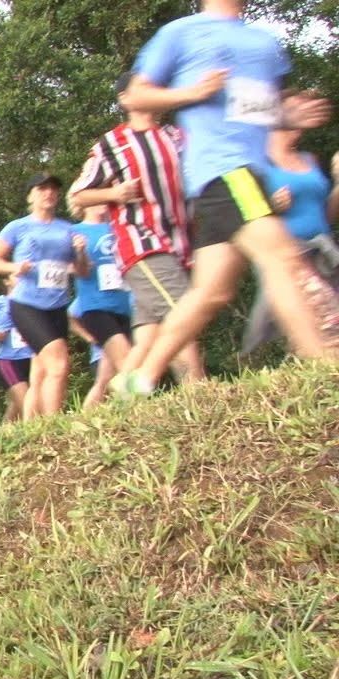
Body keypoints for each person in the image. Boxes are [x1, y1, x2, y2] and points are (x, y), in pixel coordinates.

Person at [116, 0, 337, 396]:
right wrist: (192, 92)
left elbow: (262, 108)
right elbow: (135, 98)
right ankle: (325, 369)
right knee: (284, 257)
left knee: (212, 292)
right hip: (221, 169)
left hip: (252, 174)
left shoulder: (265, 42)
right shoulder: (181, 33)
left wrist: (291, 116)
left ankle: (138, 378)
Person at [69, 71, 205, 385]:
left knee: (147, 339)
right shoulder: (113, 143)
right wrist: (114, 193)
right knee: (184, 315)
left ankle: (125, 395)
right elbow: (79, 194)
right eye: (144, 87)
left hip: (178, 245)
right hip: (142, 243)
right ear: (125, 99)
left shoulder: (175, 136)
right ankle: (197, 390)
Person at [0, 174, 90, 418]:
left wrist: (81, 252)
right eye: (42, 189)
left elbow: (83, 271)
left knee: (41, 370)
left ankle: (33, 425)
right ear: (30, 196)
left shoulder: (68, 229)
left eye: (53, 189)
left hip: (57, 305)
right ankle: (54, 424)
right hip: (26, 304)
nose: (49, 193)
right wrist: (14, 268)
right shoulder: (17, 227)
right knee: (59, 364)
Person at [242, 119, 339, 353]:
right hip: (289, 252)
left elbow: (327, 215)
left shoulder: (309, 160)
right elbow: (243, 221)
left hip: (325, 250)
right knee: (323, 318)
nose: (298, 126)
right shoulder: (257, 167)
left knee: (328, 318)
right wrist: (272, 206)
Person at [67, 202, 134, 378]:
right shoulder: (73, 231)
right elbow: (65, 267)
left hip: (126, 308)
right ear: (84, 201)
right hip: (95, 307)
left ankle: (101, 405)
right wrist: (80, 256)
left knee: (104, 382)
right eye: (97, 197)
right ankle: (143, 403)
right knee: (129, 363)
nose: (103, 202)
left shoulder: (121, 226)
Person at [0, 274, 32, 422]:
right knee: (27, 402)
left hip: (33, 358)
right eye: (16, 276)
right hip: (9, 359)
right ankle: (39, 436)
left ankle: (3, 435)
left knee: (16, 405)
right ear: (6, 281)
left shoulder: (33, 301)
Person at [69, 298, 114, 409]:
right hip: (102, 356)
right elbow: (69, 317)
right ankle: (85, 421)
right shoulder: (94, 292)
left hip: (132, 354)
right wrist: (89, 338)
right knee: (103, 388)